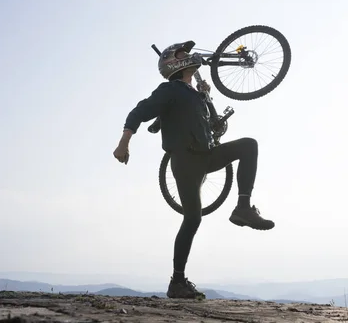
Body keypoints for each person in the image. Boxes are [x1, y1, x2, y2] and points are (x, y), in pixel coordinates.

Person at [113, 40, 275, 299]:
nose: (189, 55)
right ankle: (177, 282)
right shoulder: (170, 90)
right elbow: (140, 111)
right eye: (183, 53)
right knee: (193, 219)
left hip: (207, 154)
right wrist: (124, 140)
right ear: (173, 62)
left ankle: (243, 208)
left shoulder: (196, 94)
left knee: (248, 146)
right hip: (186, 160)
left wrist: (207, 99)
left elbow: (214, 128)